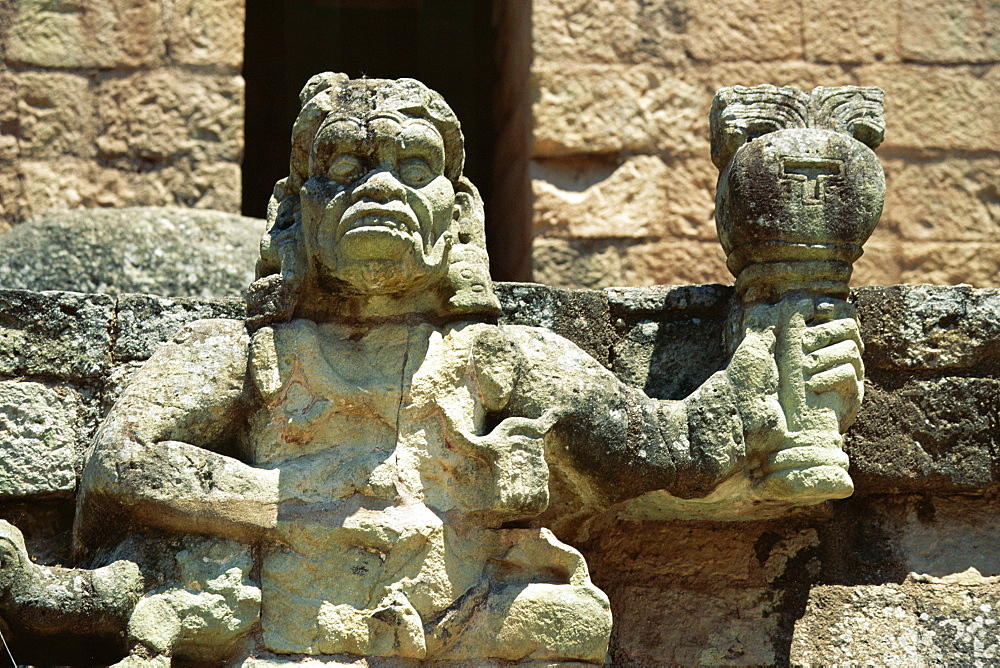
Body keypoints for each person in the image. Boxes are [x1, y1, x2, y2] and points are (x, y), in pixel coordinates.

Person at [36, 74, 863, 664]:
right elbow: (125, 459)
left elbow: (662, 447)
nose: (381, 188)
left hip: (473, 629)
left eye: (415, 167)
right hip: (280, 638)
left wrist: (775, 366)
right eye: (345, 170)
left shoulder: (500, 357)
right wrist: (306, 501)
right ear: (296, 213)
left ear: (458, 213)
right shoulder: (246, 354)